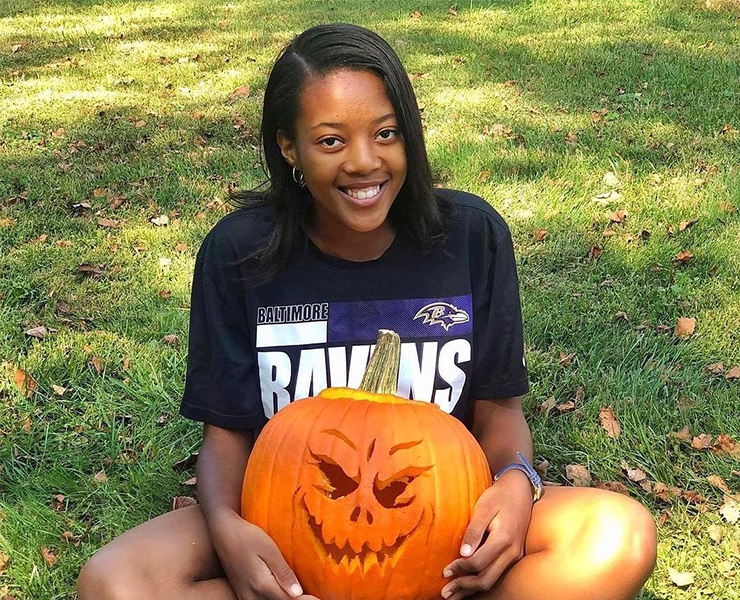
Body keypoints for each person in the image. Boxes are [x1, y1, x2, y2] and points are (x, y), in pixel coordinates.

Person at [77, 22, 657, 600]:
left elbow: (499, 411)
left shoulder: (470, 238)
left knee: (617, 536)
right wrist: (230, 529)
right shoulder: (240, 254)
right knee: (116, 582)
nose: (364, 162)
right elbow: (225, 437)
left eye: (386, 133)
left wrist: (515, 482)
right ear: (289, 147)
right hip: (284, 523)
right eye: (331, 141)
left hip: (441, 525)